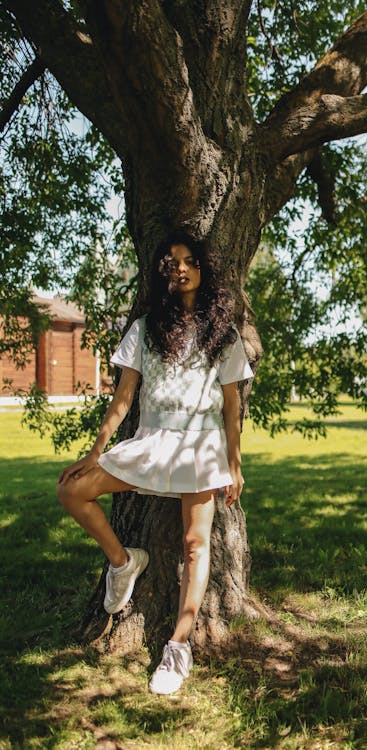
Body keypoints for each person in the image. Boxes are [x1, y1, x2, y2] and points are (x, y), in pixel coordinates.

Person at [56, 230, 253, 695]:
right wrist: (94, 452)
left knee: (193, 544)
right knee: (71, 490)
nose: (180, 268)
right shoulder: (145, 329)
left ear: (204, 269)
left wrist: (235, 464)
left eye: (189, 261)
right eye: (171, 262)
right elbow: (123, 399)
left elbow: (231, 409)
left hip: (201, 446)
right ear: (162, 273)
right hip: (150, 441)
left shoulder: (223, 335)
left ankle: (177, 646)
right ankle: (124, 563)